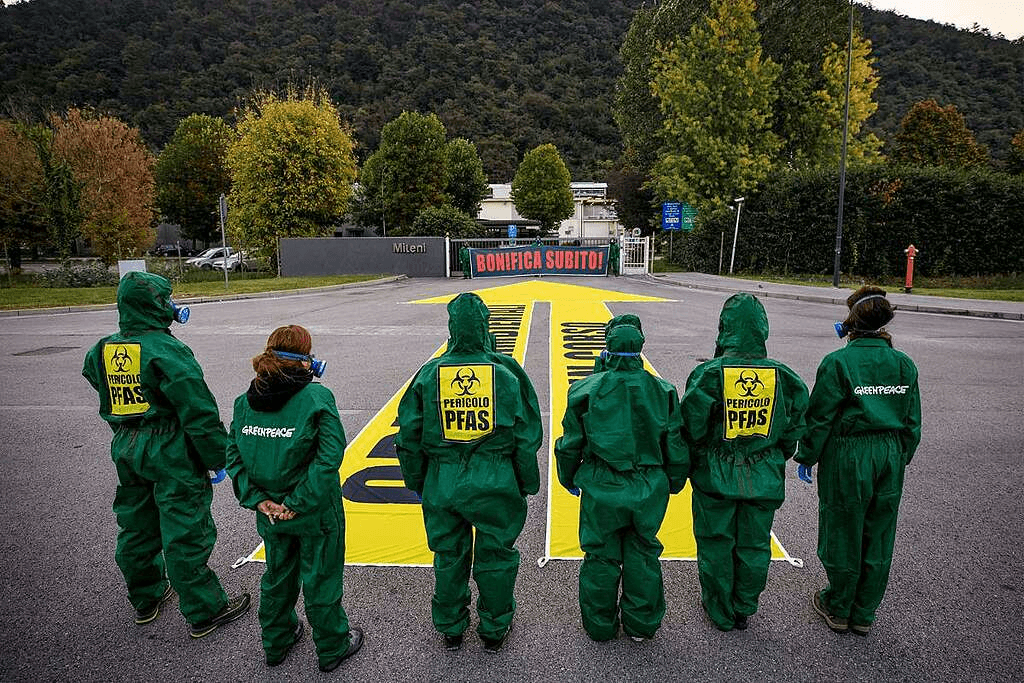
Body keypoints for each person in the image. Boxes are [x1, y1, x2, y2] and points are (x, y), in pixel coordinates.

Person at [82, 271, 250, 638]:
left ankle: (146, 597)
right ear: (157, 305)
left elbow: (94, 378)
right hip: (168, 448)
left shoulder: (104, 347)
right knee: (185, 526)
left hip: (126, 445)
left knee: (136, 522)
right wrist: (216, 458)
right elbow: (197, 410)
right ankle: (205, 609)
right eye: (167, 298)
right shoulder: (166, 350)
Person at [395, 292, 542, 653]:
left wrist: (419, 482)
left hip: (443, 481)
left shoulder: (429, 375)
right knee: (496, 555)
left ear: (451, 328)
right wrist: (527, 482)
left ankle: (451, 627)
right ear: (484, 326)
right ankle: (494, 629)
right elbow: (526, 436)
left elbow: (408, 438)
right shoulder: (507, 374)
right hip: (495, 479)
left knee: (448, 555)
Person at [226, 325, 363, 671]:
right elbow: (330, 457)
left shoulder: (244, 403)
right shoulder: (317, 398)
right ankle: (332, 646)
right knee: (320, 577)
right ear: (306, 360)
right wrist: (297, 503)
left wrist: (259, 500)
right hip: (314, 512)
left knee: (277, 575)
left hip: (269, 513)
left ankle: (277, 641)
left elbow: (234, 456)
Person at [679, 293, 808, 632]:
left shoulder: (709, 374)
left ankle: (719, 608)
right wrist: (775, 453)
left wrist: (693, 462)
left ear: (725, 329)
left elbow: (692, 425)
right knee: (754, 543)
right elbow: (793, 429)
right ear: (762, 330)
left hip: (715, 475)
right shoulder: (785, 376)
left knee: (716, 542)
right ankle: (744, 605)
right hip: (764, 474)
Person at [796, 286, 921, 637]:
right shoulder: (903, 364)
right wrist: (899, 456)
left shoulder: (838, 363)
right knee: (879, 533)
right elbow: (913, 420)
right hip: (890, 454)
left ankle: (838, 606)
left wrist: (807, 454)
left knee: (843, 528)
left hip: (849, 454)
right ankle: (864, 612)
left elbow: (820, 417)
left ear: (848, 324)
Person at [555, 322, 689, 642]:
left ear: (608, 348)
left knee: (600, 556)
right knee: (643, 553)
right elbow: (676, 443)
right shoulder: (664, 390)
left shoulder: (585, 389)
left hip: (602, 485)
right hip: (648, 485)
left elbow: (570, 442)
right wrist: (674, 480)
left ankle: (600, 625)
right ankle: (641, 626)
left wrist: (568, 476)